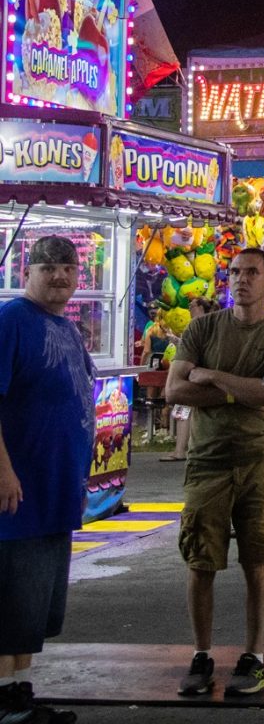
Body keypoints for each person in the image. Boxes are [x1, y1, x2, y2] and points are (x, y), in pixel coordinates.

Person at [166, 248, 264, 698]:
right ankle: (201, 654)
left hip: (259, 458)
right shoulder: (202, 327)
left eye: (251, 273)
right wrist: (236, 391)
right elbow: (174, 391)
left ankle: (254, 655)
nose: (240, 280)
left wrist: (211, 376)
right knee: (200, 559)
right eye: (234, 272)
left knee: (258, 559)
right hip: (206, 460)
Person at [0, 236, 93, 724]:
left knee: (33, 608)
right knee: (10, 602)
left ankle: (18, 695)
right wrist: (3, 469)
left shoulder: (66, 327)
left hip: (56, 491)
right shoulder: (12, 321)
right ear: (26, 272)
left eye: (68, 268)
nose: (59, 275)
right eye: (48, 267)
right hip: (19, 496)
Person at [162, 297, 218, 464]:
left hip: (191, 375)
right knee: (188, 413)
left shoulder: (197, 325)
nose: (189, 307)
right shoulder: (209, 324)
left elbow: (192, 350)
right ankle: (187, 448)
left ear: (200, 307)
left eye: (192, 305)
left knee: (182, 412)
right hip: (198, 374)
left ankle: (180, 450)